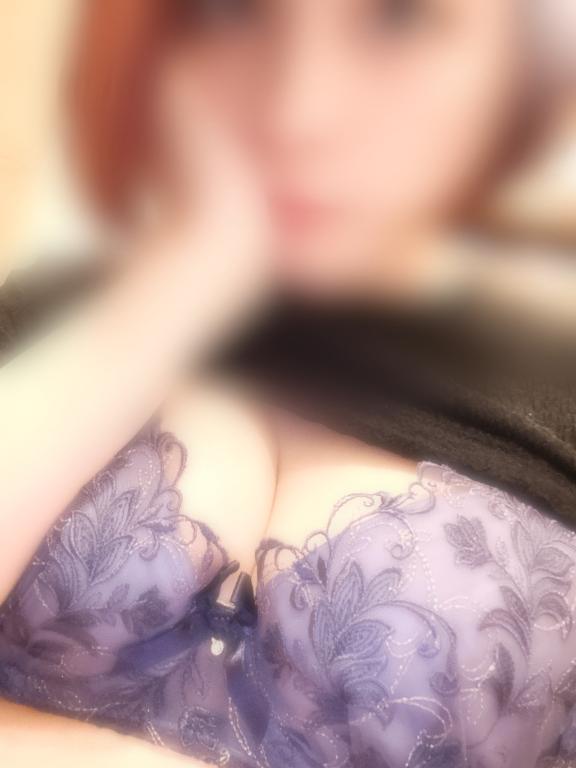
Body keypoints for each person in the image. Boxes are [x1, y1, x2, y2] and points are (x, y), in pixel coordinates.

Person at [0, 2, 575, 766]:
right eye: (236, 13)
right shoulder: (58, 316)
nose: (301, 107)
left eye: (398, 22)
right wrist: (183, 282)